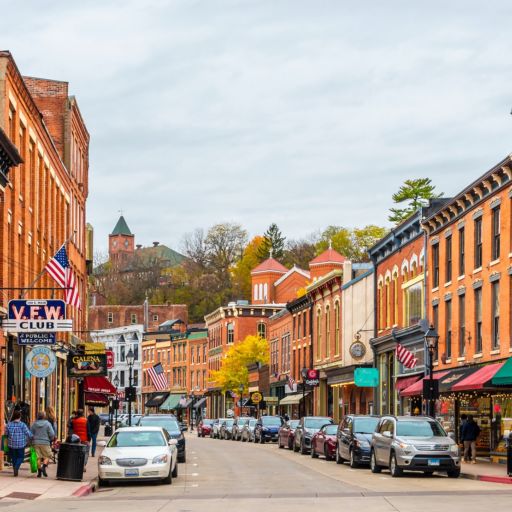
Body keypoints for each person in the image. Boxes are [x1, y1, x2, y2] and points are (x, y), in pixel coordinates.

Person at [5, 411, 32, 477]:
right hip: (21, 444)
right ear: (20, 417)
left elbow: (6, 434)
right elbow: (28, 433)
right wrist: (33, 436)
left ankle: (15, 469)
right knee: (21, 457)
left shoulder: (9, 424)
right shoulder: (23, 425)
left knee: (13, 457)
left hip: (11, 444)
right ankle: (16, 468)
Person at [31, 412, 55, 478]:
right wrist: (51, 439)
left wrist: (31, 440)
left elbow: (31, 433)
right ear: (44, 416)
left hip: (36, 442)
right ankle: (44, 467)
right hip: (45, 442)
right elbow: (52, 434)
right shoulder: (48, 424)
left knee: (38, 457)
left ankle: (39, 472)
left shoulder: (34, 424)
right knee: (47, 455)